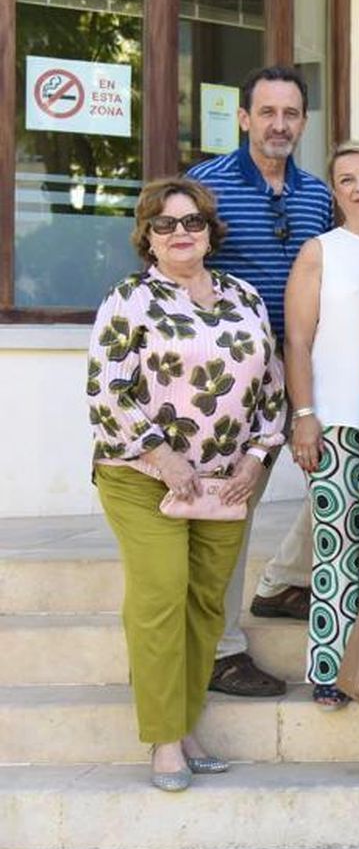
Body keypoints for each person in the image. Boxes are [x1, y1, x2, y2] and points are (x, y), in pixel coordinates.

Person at [87, 179, 286, 790]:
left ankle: (183, 721)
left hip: (224, 483)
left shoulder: (244, 296)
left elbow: (271, 386)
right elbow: (106, 391)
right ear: (147, 235)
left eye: (192, 222)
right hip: (142, 476)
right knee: (161, 598)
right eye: (166, 223)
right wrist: (165, 457)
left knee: (205, 606)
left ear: (209, 232)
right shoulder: (130, 299)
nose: (181, 233)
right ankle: (164, 739)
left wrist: (256, 459)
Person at [188, 64, 333, 698]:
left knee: (341, 470)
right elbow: (177, 272)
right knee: (232, 507)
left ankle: (280, 584)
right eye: (267, 112)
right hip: (230, 379)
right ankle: (220, 651)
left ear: (303, 121)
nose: (279, 124)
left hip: (302, 364)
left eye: (290, 114)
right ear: (244, 117)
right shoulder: (205, 186)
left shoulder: (317, 195)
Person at [282, 141, 359, 709]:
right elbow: (297, 339)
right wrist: (304, 414)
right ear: (335, 191)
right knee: (338, 547)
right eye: (347, 179)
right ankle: (331, 669)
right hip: (335, 422)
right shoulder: (321, 251)